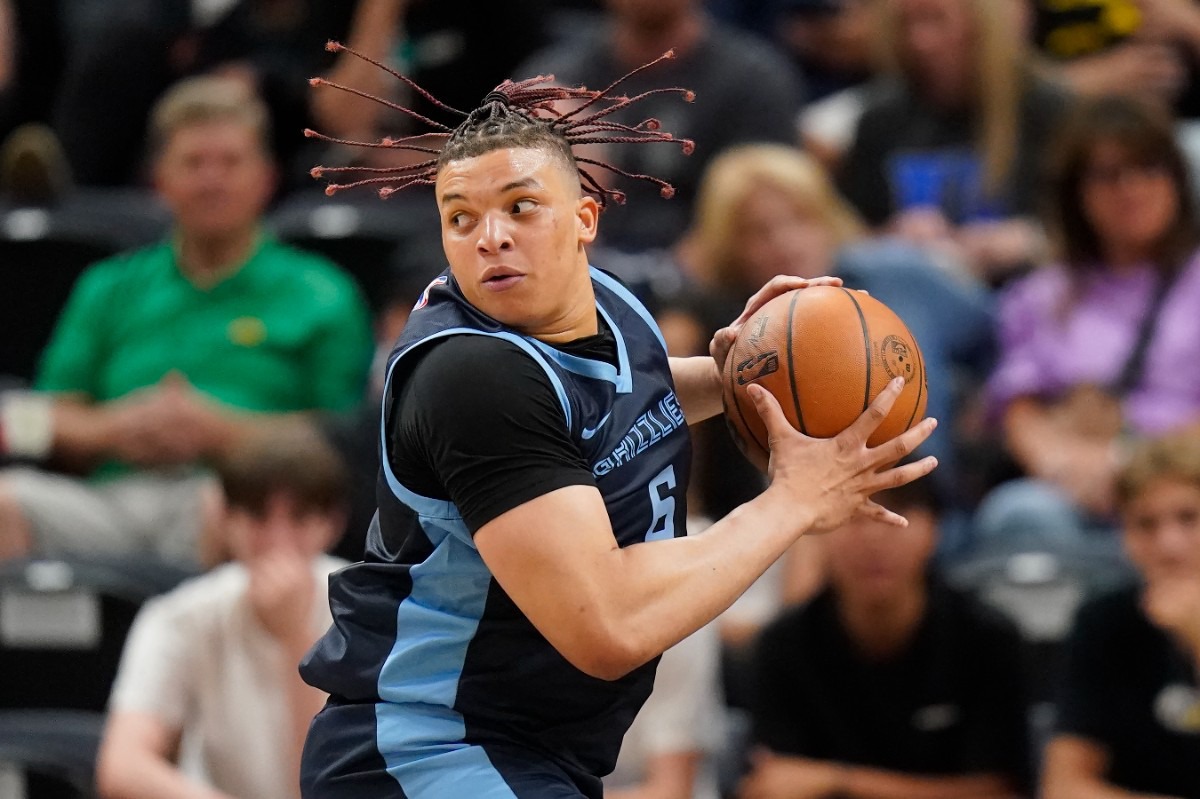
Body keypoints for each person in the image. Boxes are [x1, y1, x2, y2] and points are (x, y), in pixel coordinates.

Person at [298, 52, 937, 798]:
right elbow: (606, 625)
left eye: (520, 206)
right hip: (424, 750)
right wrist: (791, 502)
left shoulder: (609, 305)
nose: (490, 237)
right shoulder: (471, 378)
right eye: (460, 218)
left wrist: (742, 370)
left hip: (523, 751)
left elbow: (619, 404)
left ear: (584, 220)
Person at [0, 75, 373, 567]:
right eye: (194, 163)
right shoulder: (108, 285)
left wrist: (224, 434)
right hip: (108, 502)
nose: (211, 180)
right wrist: (111, 429)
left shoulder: (322, 293)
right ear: (160, 180)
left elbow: (345, 441)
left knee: (232, 512)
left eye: (230, 163)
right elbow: (37, 416)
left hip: (234, 498)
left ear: (266, 178)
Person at [977, 94, 1200, 553]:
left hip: (1185, 476)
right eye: (1108, 175)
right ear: (1076, 193)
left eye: (1147, 167)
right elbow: (1017, 406)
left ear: (1177, 177)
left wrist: (1133, 464)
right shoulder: (1042, 295)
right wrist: (1060, 463)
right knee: (1020, 513)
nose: (1130, 189)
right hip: (1080, 487)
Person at [95, 426, 350, 799]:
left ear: (333, 523)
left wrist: (295, 636)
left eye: (299, 519)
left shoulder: (367, 611)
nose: (277, 542)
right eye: (258, 517)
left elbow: (326, 782)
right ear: (226, 519)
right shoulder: (177, 616)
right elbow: (122, 767)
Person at [740, 476, 1030, 799]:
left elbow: (1002, 790)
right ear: (815, 534)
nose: (874, 535)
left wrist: (839, 780)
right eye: (852, 514)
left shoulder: (986, 637)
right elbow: (771, 784)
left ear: (935, 529)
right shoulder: (784, 643)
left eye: (898, 511)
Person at [515, 0, 805, 249]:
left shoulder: (754, 79)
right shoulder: (551, 81)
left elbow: (771, 205)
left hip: (715, 282)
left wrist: (680, 282)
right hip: (583, 261)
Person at [836, 0, 1069, 283]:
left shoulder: (1046, 108)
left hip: (1025, 292)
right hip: (917, 296)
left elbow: (1087, 224)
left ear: (981, 25)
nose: (920, 40)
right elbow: (846, 231)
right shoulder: (880, 120)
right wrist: (893, 237)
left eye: (937, 20)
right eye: (906, 24)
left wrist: (1031, 239)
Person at [1041, 432, 1200, 799]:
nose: (1169, 545)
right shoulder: (1103, 623)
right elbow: (1062, 786)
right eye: (1146, 524)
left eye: (1188, 518)